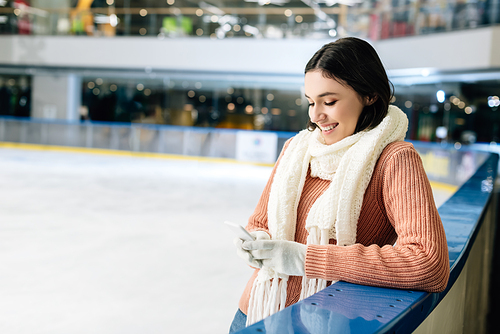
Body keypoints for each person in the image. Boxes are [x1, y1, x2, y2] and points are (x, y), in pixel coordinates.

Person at [229, 37, 450, 333]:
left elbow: (427, 262)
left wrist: (304, 259)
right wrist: (256, 239)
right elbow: (261, 221)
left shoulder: (394, 159)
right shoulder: (297, 149)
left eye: (329, 101)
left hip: (322, 322)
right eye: (311, 102)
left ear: (369, 95)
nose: (316, 115)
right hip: (255, 312)